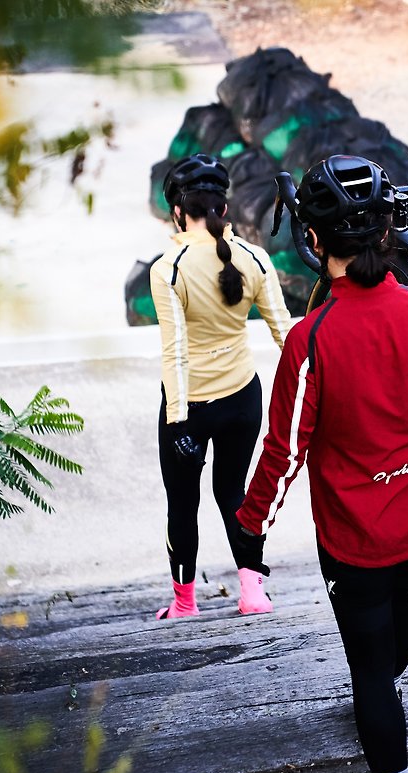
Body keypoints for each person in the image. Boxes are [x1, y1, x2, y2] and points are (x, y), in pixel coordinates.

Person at [232, 154, 408, 773]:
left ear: (313, 238)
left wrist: (251, 527)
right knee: (398, 611)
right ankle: (387, 675)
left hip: (358, 540)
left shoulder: (311, 340)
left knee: (370, 672)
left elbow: (284, 450)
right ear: (389, 230)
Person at [150, 153, 291, 620]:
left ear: (177, 211)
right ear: (224, 209)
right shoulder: (255, 258)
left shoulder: (168, 268)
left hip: (189, 406)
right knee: (234, 493)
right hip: (243, 398)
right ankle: (253, 594)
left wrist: (177, 421)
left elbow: (175, 351)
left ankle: (184, 604)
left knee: (182, 504)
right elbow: (286, 335)